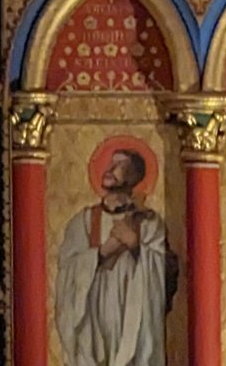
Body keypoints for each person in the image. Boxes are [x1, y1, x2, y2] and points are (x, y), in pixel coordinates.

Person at [53, 143, 175, 366]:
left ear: (134, 175)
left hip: (132, 317)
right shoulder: (83, 222)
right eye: (110, 163)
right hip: (94, 322)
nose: (109, 169)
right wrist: (99, 253)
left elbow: (164, 275)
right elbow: (66, 271)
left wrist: (136, 245)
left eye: (119, 165)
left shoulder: (148, 223)